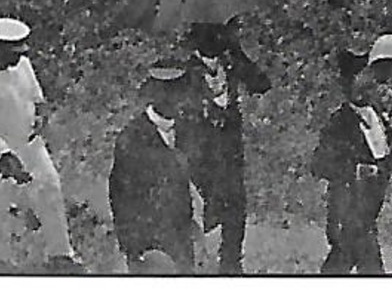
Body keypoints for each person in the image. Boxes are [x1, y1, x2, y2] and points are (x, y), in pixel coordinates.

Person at [0, 17, 77, 269]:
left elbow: (38, 98)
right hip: (0, 154)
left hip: (31, 145)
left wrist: (41, 116)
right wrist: (9, 163)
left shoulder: (23, 65)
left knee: (50, 188)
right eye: (13, 52)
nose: (19, 56)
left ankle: (61, 255)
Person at [183, 21, 271, 275]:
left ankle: (230, 268)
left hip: (229, 156)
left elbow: (262, 84)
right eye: (217, 35)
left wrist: (239, 52)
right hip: (200, 158)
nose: (221, 41)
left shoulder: (231, 66)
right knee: (201, 218)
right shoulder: (186, 72)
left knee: (235, 212)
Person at [109, 64, 198, 273]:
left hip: (181, 239)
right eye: (168, 93)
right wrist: (133, 249)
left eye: (179, 92)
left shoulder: (188, 130)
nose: (176, 99)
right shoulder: (131, 139)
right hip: (147, 244)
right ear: (154, 95)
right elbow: (119, 196)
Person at [311, 49, 391, 275]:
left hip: (369, 209)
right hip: (348, 210)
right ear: (348, 83)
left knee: (342, 264)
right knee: (366, 265)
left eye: (369, 78)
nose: (368, 83)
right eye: (361, 78)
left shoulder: (378, 117)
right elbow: (319, 164)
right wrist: (355, 169)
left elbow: (386, 153)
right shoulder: (339, 122)